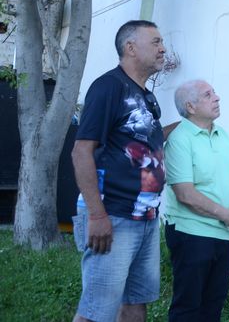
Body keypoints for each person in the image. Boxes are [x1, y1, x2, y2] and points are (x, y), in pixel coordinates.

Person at [71, 20, 168, 321]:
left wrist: (190, 125)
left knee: (137, 303)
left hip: (146, 217)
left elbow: (143, 142)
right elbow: (81, 151)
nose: (163, 48)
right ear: (130, 48)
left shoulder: (147, 96)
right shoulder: (108, 87)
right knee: (97, 310)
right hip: (113, 214)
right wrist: (97, 215)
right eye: (155, 42)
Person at [164, 80, 229, 321]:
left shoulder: (223, 134)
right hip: (191, 234)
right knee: (188, 308)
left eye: (215, 93)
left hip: (222, 233)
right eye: (208, 95)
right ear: (190, 106)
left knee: (213, 306)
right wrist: (226, 215)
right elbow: (185, 193)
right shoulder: (180, 139)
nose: (217, 97)